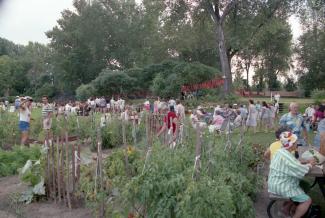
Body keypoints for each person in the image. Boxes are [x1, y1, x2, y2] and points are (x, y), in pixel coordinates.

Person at [268, 131, 315, 218]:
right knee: (307, 200)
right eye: (295, 142)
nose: (297, 143)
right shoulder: (286, 156)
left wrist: (303, 162)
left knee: (305, 186)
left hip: (275, 182)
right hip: (280, 185)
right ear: (291, 144)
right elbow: (301, 170)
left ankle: (284, 210)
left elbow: (292, 164)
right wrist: (311, 164)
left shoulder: (281, 151)